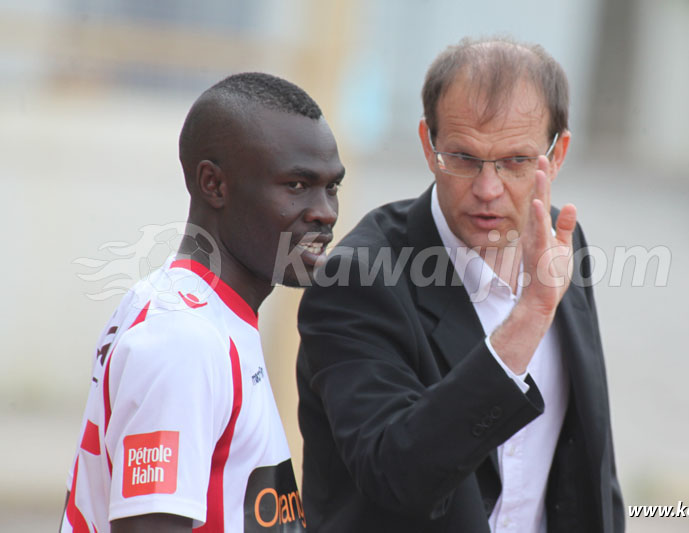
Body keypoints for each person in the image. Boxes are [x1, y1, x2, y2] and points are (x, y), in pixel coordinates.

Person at [296, 38, 624, 532]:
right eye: (464, 158)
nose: (488, 189)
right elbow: (396, 474)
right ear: (429, 145)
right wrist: (529, 318)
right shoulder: (358, 277)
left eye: (516, 161)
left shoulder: (563, 241)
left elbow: (591, 464)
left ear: (557, 156)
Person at [61, 72, 344, 532]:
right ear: (213, 184)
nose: (325, 211)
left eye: (332, 187)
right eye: (297, 185)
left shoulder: (200, 315)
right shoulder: (183, 340)